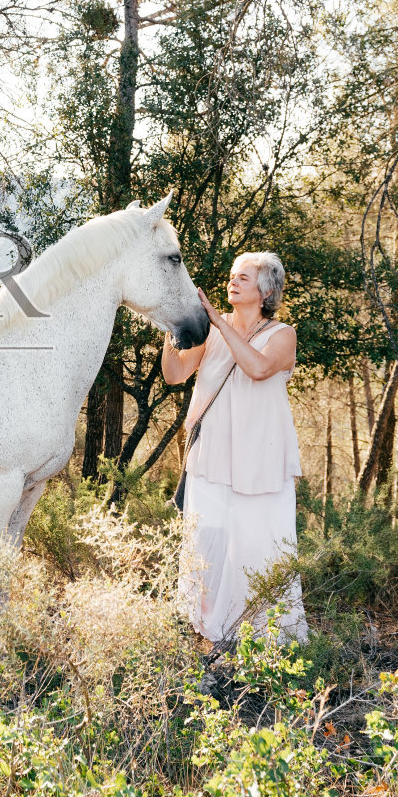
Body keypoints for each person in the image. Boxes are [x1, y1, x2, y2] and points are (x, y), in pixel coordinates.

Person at [162, 251, 307, 645]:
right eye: (232, 275)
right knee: (204, 550)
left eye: (244, 277)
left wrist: (218, 325)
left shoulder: (282, 335)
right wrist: (173, 328)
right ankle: (206, 638)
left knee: (259, 553)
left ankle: (262, 642)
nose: (233, 281)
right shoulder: (213, 329)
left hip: (262, 463)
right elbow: (175, 374)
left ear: (266, 290)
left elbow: (258, 368)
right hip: (210, 460)